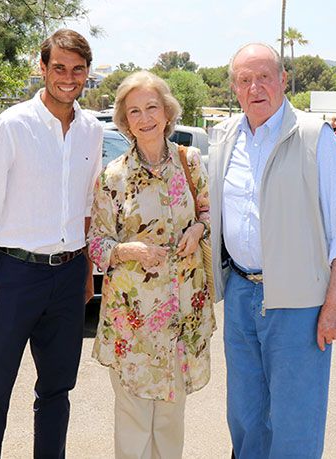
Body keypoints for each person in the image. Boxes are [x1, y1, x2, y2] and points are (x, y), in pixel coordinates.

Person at [207, 43, 336, 458]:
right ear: (234, 89)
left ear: (283, 81)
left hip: (299, 304)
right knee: (245, 415)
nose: (255, 87)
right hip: (240, 293)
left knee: (296, 420)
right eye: (244, 79)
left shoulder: (315, 137)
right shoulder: (223, 140)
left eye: (264, 77)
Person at [0, 29, 103, 458]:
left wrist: (86, 272)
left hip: (69, 275)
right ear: (42, 69)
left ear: (87, 75)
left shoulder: (92, 131)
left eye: (77, 69)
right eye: (58, 67)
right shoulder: (11, 126)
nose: (67, 77)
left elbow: (86, 208)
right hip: (14, 276)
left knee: (57, 392)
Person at [87, 70, 215, 459]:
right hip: (133, 319)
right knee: (134, 419)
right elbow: (96, 244)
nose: (145, 118)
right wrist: (130, 250)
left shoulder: (189, 162)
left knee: (170, 419)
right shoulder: (113, 176)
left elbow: (207, 214)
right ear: (125, 121)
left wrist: (198, 229)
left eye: (152, 107)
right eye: (135, 111)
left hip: (181, 313)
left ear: (167, 111)